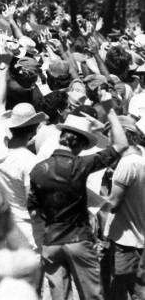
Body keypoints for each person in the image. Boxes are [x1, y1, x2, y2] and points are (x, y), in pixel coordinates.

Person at [28, 108, 129, 300]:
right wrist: (110, 112)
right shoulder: (80, 165)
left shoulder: (37, 169)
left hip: (51, 241)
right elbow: (121, 144)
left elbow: (34, 214)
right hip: (78, 239)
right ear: (81, 145)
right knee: (92, 295)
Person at [0, 49, 46, 250]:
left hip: (3, 226)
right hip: (28, 234)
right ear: (33, 133)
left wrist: (3, 66)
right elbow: (34, 207)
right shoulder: (31, 163)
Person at [105, 116, 145, 300]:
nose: (111, 141)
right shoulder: (141, 154)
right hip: (139, 235)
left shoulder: (127, 164)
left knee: (128, 290)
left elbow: (113, 204)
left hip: (126, 240)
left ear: (126, 135)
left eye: (113, 135)